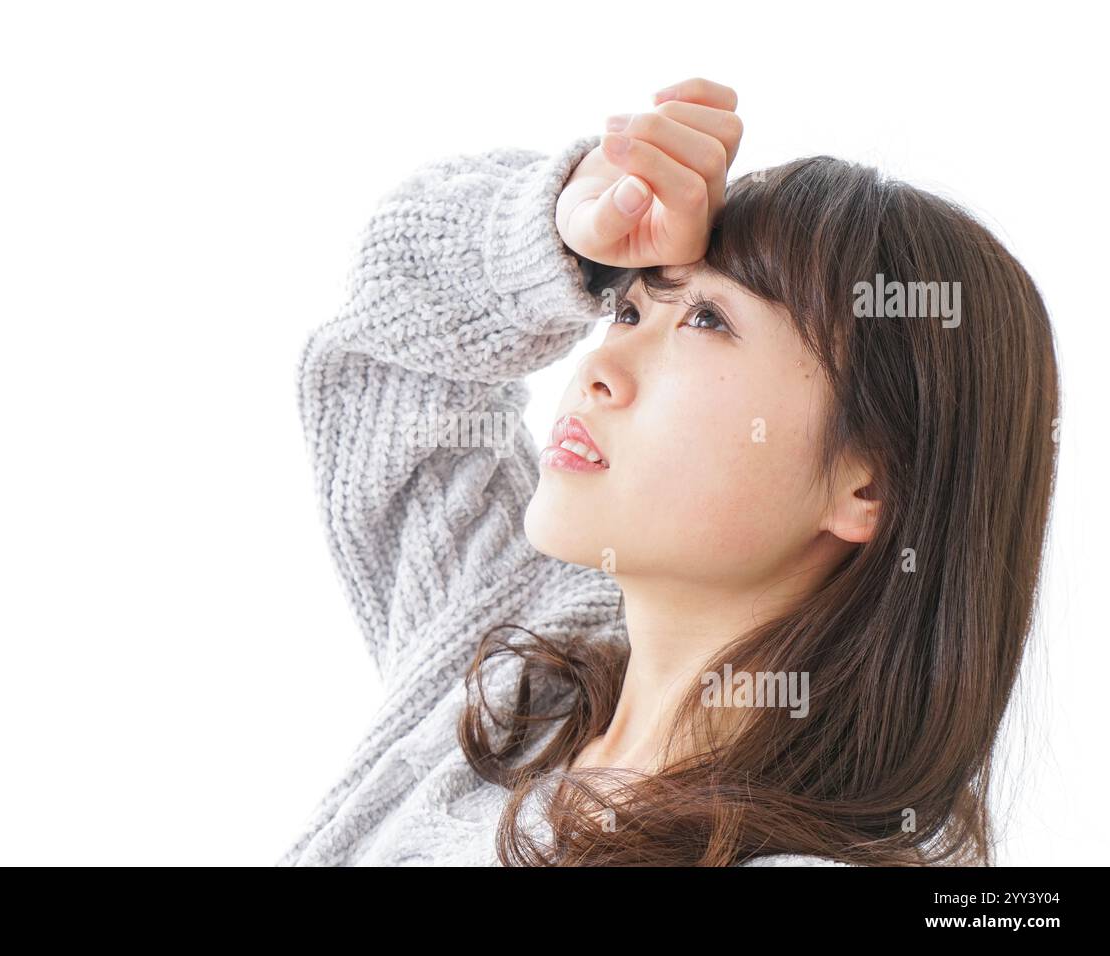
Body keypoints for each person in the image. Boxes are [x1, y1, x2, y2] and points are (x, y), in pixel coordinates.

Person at [278, 78, 1059, 866]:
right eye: (627, 309)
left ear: (868, 486)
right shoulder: (515, 680)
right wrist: (570, 230)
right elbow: (389, 355)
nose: (599, 367)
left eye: (706, 320)